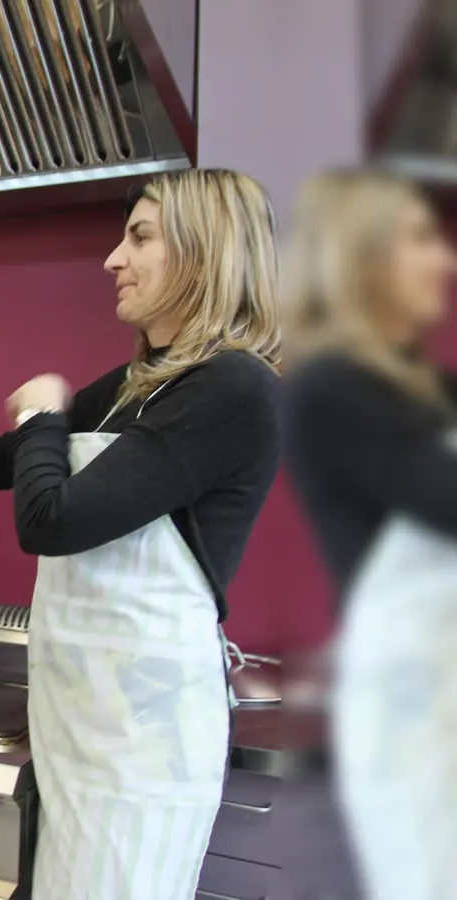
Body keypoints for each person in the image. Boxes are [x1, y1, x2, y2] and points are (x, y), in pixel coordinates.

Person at [0, 168, 282, 899]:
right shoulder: (151, 383)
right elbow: (17, 460)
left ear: (204, 251)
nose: (113, 259)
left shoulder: (233, 389)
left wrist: (42, 415)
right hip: (82, 720)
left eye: (139, 237)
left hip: (140, 746)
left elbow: (54, 520)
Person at [281, 170, 457, 900]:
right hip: (415, 713)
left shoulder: (429, 388)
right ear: (363, 258)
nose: (446, 259)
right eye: (421, 239)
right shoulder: (332, 389)